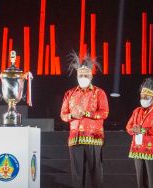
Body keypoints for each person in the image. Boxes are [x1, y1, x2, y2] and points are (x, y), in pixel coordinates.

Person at [60, 52, 109, 188]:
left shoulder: (99, 93)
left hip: (94, 137)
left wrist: (87, 113)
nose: (83, 78)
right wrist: (72, 115)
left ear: (91, 76)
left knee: (96, 175)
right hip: (75, 138)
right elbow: (63, 114)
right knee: (77, 176)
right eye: (80, 75)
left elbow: (104, 113)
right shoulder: (69, 93)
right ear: (77, 76)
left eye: (85, 75)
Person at [126, 78, 153, 188]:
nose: (143, 99)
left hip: (152, 149)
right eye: (142, 97)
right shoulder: (136, 111)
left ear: (152, 98)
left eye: (146, 97)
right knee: (140, 180)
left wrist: (142, 130)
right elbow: (128, 126)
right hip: (137, 149)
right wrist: (133, 130)